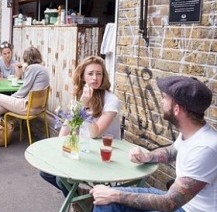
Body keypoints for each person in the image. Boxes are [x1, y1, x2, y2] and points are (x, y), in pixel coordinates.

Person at [90, 76, 216, 212]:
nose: (161, 101)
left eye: (165, 98)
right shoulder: (192, 131)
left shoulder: (205, 148)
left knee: (111, 197)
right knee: (105, 202)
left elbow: (169, 203)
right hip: (178, 203)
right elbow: (172, 151)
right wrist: (147, 157)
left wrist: (115, 195)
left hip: (188, 209)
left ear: (177, 109)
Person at [40, 56, 120, 194]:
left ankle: (78, 201)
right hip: (85, 149)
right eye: (90, 73)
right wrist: (58, 145)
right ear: (83, 77)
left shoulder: (111, 100)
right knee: (45, 172)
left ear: (103, 76)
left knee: (61, 180)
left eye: (99, 74)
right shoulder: (82, 96)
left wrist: (83, 105)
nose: (95, 78)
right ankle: (79, 200)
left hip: (105, 153)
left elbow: (95, 133)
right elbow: (67, 127)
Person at [0, 46, 50, 146]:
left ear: (27, 58)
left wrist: (11, 98)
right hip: (39, 107)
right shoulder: (42, 68)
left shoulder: (32, 68)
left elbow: (24, 90)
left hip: (28, 107)